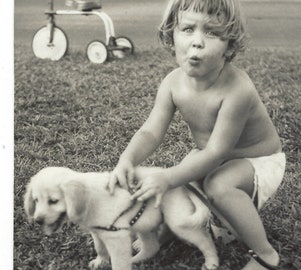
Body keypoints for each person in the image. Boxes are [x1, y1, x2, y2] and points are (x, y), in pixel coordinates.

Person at [108, 0, 285, 269]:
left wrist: (167, 177)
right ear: (171, 35)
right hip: (215, 155)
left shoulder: (237, 90)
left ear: (231, 46)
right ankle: (169, 230)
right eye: (188, 29)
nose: (197, 42)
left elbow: (217, 152)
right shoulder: (172, 82)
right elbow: (151, 131)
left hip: (259, 160)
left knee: (217, 185)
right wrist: (127, 159)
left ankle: (265, 254)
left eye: (212, 32)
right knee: (182, 178)